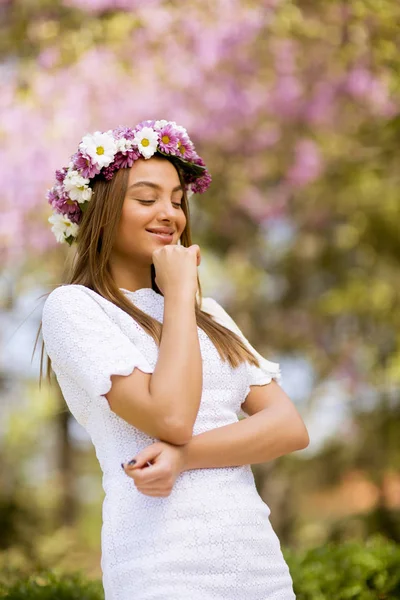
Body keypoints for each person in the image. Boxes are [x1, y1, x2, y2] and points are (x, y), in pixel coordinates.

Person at [39, 119, 309, 599]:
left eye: (178, 201)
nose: (170, 214)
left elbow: (289, 426)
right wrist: (181, 292)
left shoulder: (208, 313)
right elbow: (172, 417)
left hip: (259, 567)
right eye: (147, 199)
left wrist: (185, 459)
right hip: (161, 569)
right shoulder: (75, 308)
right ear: (100, 210)